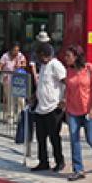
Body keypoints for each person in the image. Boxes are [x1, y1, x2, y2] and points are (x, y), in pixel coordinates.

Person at [62, 45, 92, 181]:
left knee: (91, 139)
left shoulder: (89, 68)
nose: (66, 59)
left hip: (89, 110)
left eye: (68, 56)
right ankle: (78, 169)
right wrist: (65, 103)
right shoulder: (69, 71)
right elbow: (69, 90)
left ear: (76, 57)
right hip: (73, 110)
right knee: (74, 139)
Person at [31, 42, 67, 172]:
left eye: (40, 56)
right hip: (41, 107)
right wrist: (34, 96)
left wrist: (64, 99)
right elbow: (42, 85)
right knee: (41, 137)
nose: (38, 59)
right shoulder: (43, 66)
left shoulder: (56, 65)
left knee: (54, 136)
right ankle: (43, 161)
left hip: (53, 108)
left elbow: (66, 82)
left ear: (45, 55)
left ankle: (59, 161)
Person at [0, 42, 28, 124]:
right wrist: (0, 70)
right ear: (10, 50)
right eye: (14, 50)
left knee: (21, 99)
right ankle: (10, 117)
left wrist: (20, 66)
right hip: (8, 80)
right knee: (10, 100)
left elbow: (24, 63)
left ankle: (21, 117)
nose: (16, 52)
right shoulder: (5, 56)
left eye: (17, 50)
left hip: (18, 81)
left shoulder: (20, 55)